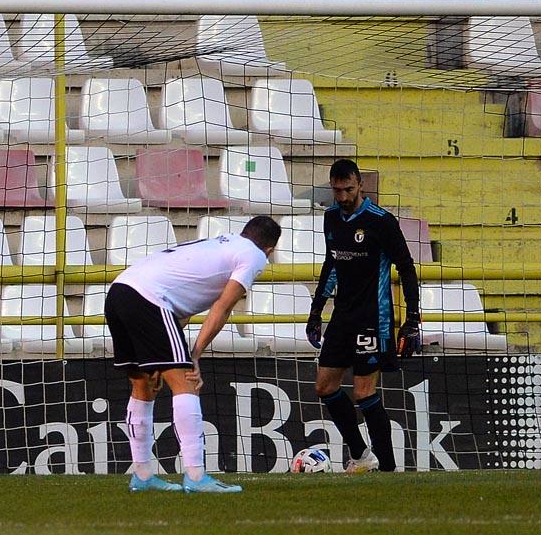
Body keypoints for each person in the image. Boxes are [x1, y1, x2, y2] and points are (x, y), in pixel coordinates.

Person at [105, 216, 282, 493]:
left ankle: (142, 476)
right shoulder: (254, 255)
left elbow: (183, 304)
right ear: (269, 250)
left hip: (119, 292)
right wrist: (194, 356)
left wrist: (164, 351)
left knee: (143, 385)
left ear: (244, 232)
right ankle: (196, 477)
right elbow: (223, 307)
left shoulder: (221, 243)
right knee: (186, 382)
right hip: (149, 298)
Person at [306, 159, 421, 473]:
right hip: (342, 316)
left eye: (348, 189)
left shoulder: (380, 221)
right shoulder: (331, 217)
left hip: (374, 317)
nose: (342, 197)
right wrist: (316, 312)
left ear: (360, 186)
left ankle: (387, 469)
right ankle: (361, 455)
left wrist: (412, 319)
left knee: (363, 392)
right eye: (337, 190)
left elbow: (407, 269)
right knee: (325, 387)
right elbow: (331, 265)